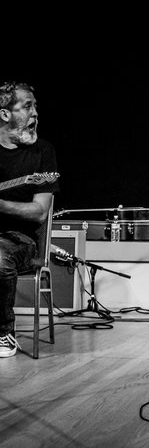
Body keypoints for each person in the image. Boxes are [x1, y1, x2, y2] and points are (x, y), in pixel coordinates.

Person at [0, 81, 59, 357]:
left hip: (21, 241)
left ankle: (3, 334)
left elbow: (40, 211)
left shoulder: (43, 152)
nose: (35, 113)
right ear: (5, 114)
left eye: (35, 106)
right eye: (27, 106)